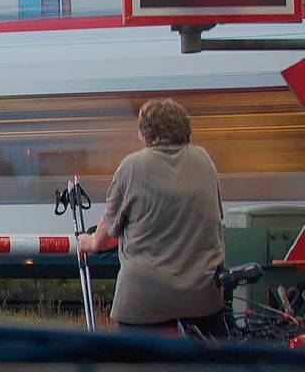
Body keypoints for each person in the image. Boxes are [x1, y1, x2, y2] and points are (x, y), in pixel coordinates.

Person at [78, 98, 226, 335]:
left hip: (144, 300)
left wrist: (92, 242)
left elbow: (110, 224)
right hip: (203, 297)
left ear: (146, 132)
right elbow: (217, 214)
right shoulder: (204, 160)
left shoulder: (132, 166)